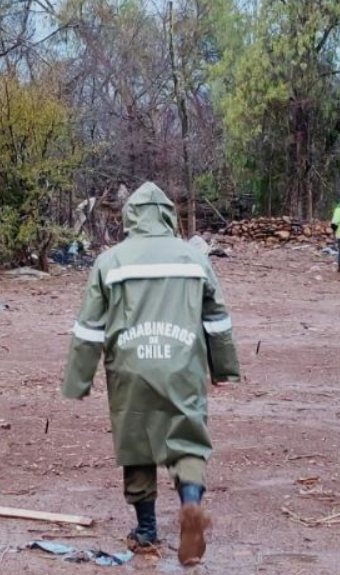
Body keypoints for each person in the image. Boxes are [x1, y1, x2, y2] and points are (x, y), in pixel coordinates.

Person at [62, 182, 240, 566]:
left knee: (137, 444)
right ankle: (190, 505)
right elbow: (217, 319)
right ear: (169, 215)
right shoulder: (194, 259)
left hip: (130, 367)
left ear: (130, 217)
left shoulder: (110, 261)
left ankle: (145, 533)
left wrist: (78, 381)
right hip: (183, 366)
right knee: (188, 442)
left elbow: (89, 328)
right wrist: (223, 368)